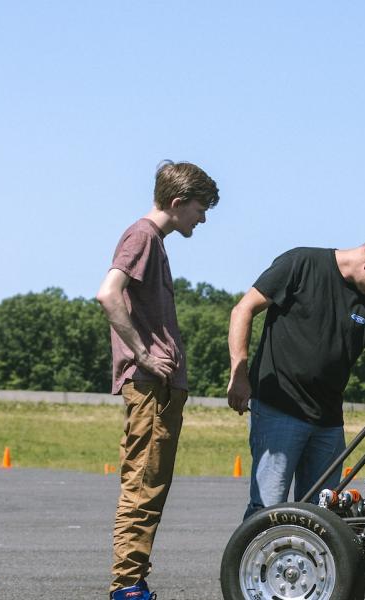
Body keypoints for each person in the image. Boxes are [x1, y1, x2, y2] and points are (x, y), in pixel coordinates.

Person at [227, 237, 365, 519]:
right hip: (279, 410)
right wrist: (239, 373)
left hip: (328, 424)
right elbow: (243, 310)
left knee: (322, 514)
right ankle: (250, 563)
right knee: (267, 509)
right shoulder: (300, 264)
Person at [95, 160, 219, 600]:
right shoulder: (142, 235)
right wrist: (144, 354)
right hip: (150, 386)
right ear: (178, 202)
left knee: (151, 484)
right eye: (200, 209)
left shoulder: (155, 241)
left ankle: (133, 577)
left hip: (160, 388)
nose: (202, 218)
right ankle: (127, 587)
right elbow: (108, 294)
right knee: (143, 485)